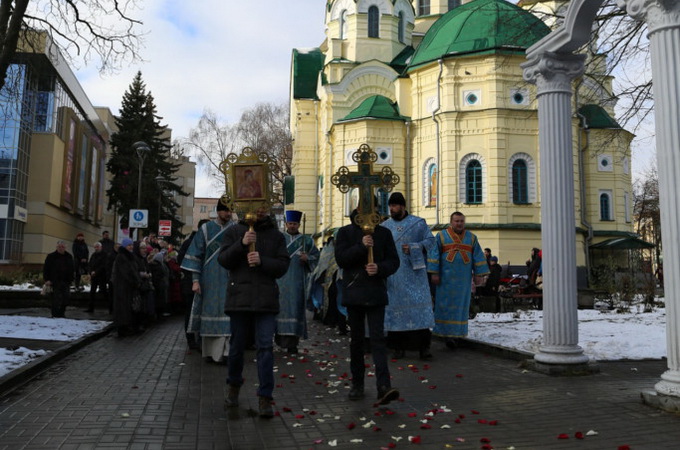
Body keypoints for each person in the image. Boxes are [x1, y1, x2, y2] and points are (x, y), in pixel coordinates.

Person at [219, 206, 289, 418]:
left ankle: (265, 396)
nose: (259, 211)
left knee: (265, 347)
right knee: (237, 347)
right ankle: (233, 385)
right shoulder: (234, 232)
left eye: (262, 206)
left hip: (265, 300)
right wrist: (241, 244)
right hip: (239, 298)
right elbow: (223, 260)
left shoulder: (276, 235)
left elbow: (283, 265)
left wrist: (262, 261)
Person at [335, 208, 400, 405]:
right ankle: (357, 383)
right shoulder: (345, 232)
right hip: (354, 292)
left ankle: (383, 385)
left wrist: (379, 268)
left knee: (378, 340)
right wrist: (361, 246)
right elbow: (342, 259)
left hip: (375, 292)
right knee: (356, 341)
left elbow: (393, 261)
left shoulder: (383, 233)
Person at [381, 192, 435, 360]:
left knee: (419, 312)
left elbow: (431, 242)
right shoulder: (385, 226)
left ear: (403, 206)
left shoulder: (418, 224)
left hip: (415, 276)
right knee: (396, 313)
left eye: (395, 205)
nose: (392, 208)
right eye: (390, 205)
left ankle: (423, 348)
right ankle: (398, 348)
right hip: (394, 276)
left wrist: (415, 247)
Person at [181, 199, 234, 362]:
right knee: (209, 314)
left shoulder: (235, 229)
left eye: (230, 211)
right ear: (218, 211)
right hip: (208, 281)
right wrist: (195, 281)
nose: (228, 214)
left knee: (228, 316)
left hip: (229, 279)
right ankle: (210, 354)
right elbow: (195, 256)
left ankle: (225, 353)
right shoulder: (206, 229)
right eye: (225, 210)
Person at [428, 211, 489, 348]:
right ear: (451, 222)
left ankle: (457, 334)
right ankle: (445, 334)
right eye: (456, 221)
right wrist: (434, 273)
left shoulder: (471, 238)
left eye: (461, 221)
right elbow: (434, 254)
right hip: (445, 280)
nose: (459, 223)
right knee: (444, 306)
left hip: (463, 281)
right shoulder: (441, 236)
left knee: (461, 307)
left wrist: (479, 274)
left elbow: (478, 257)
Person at [275, 210, 319, 355]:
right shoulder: (279, 239)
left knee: (295, 309)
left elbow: (316, 257)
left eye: (295, 223)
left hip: (297, 282)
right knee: (280, 310)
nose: (292, 226)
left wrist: (308, 259)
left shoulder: (307, 241)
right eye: (290, 223)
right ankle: (280, 341)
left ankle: (293, 344)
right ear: (286, 224)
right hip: (280, 281)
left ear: (299, 224)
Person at [178, 219, 210, 350]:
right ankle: (192, 339)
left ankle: (199, 338)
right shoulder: (190, 243)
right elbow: (182, 261)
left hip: (202, 283)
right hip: (190, 284)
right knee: (191, 312)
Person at [308, 235, 346, 334]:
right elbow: (320, 267)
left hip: (339, 283)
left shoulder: (342, 251)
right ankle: (331, 321)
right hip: (328, 284)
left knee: (340, 303)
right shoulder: (326, 253)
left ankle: (341, 324)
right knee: (331, 303)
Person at [111, 238, 142, 336]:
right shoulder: (122, 257)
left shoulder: (129, 256)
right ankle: (122, 327)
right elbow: (126, 272)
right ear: (125, 246)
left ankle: (126, 326)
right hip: (123, 287)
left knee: (128, 307)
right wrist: (134, 281)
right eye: (129, 245)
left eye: (132, 245)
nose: (131, 247)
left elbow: (133, 270)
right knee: (123, 308)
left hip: (127, 287)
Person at [43, 241, 75, 318]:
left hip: (66, 281)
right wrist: (47, 279)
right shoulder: (51, 256)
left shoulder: (69, 256)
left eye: (62, 247)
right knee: (55, 298)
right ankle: (55, 314)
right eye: (59, 247)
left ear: (65, 248)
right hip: (54, 281)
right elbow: (46, 269)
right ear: (57, 247)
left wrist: (71, 279)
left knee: (66, 297)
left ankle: (62, 312)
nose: (61, 248)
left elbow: (72, 268)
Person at [86, 242, 108, 312]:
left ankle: (110, 307)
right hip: (94, 276)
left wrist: (96, 271)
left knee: (104, 291)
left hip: (101, 276)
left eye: (97, 247)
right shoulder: (93, 255)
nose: (96, 248)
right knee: (92, 292)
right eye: (95, 247)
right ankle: (90, 308)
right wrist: (90, 271)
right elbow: (90, 264)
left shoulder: (104, 255)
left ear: (101, 247)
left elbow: (103, 265)